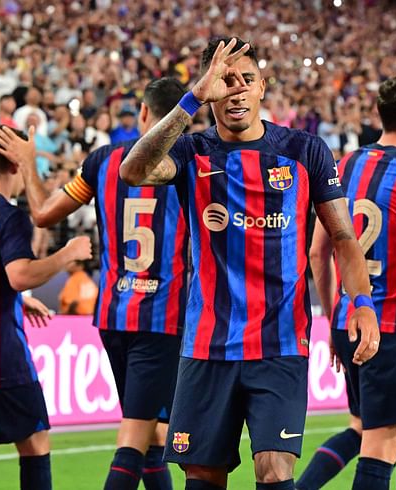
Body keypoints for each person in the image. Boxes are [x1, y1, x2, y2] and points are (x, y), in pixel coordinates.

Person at [119, 37, 379, 490]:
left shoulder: (304, 151)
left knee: (275, 471)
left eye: (247, 81)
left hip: (279, 342)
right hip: (207, 345)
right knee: (201, 476)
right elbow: (132, 171)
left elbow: (341, 235)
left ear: (263, 88)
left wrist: (361, 301)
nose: (236, 91)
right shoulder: (191, 151)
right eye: (225, 81)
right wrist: (192, 98)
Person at [0, 77, 191, 490]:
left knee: (152, 433)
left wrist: (28, 164)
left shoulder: (103, 160)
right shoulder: (190, 163)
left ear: (143, 113)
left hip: (113, 316)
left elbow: (44, 213)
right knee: (138, 433)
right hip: (161, 317)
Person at [300, 75, 396, 490]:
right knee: (381, 447)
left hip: (350, 321)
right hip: (391, 330)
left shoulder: (342, 165)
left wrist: (333, 320)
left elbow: (318, 253)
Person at [0, 125, 92, 490]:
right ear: (16, 164)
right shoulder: (9, 215)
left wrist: (14, 297)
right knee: (34, 445)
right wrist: (66, 254)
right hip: (0, 360)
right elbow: (20, 275)